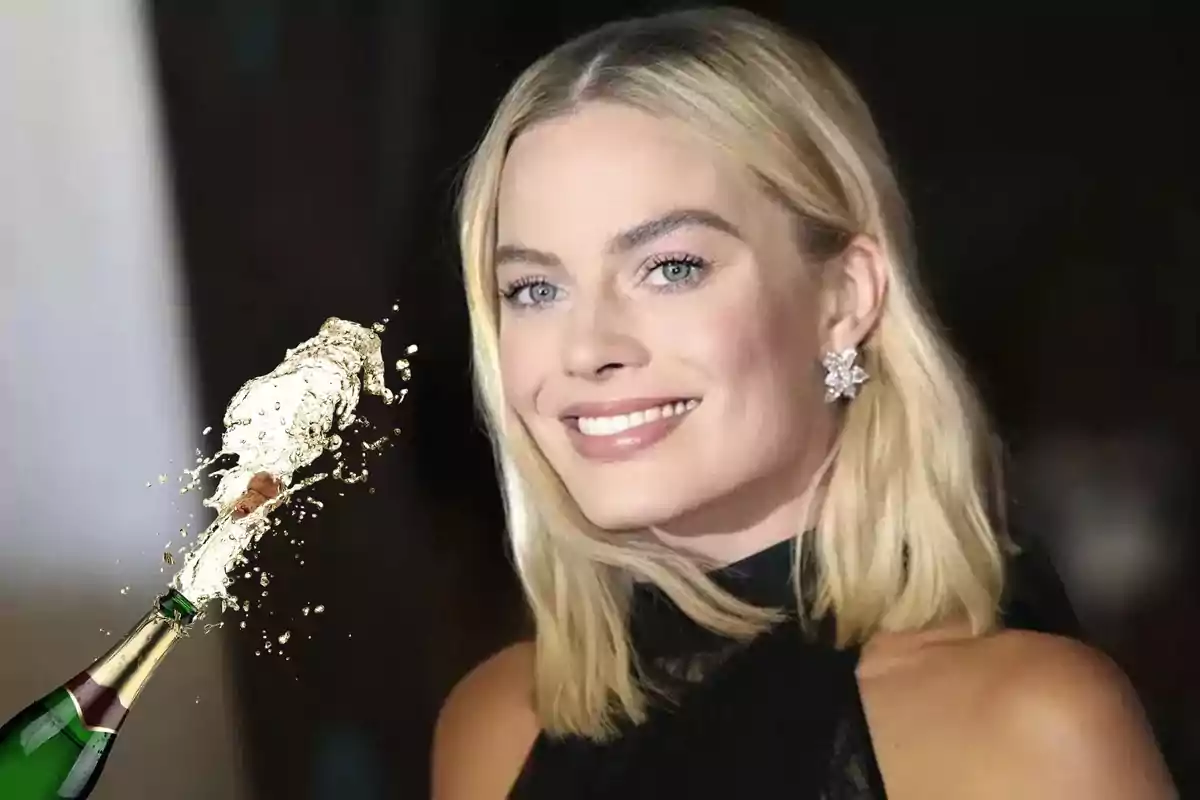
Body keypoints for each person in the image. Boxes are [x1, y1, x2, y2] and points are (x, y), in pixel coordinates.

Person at [432, 7, 1177, 798]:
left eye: (672, 268)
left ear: (844, 297)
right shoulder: (495, 725)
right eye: (535, 288)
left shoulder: (1028, 724)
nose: (587, 349)